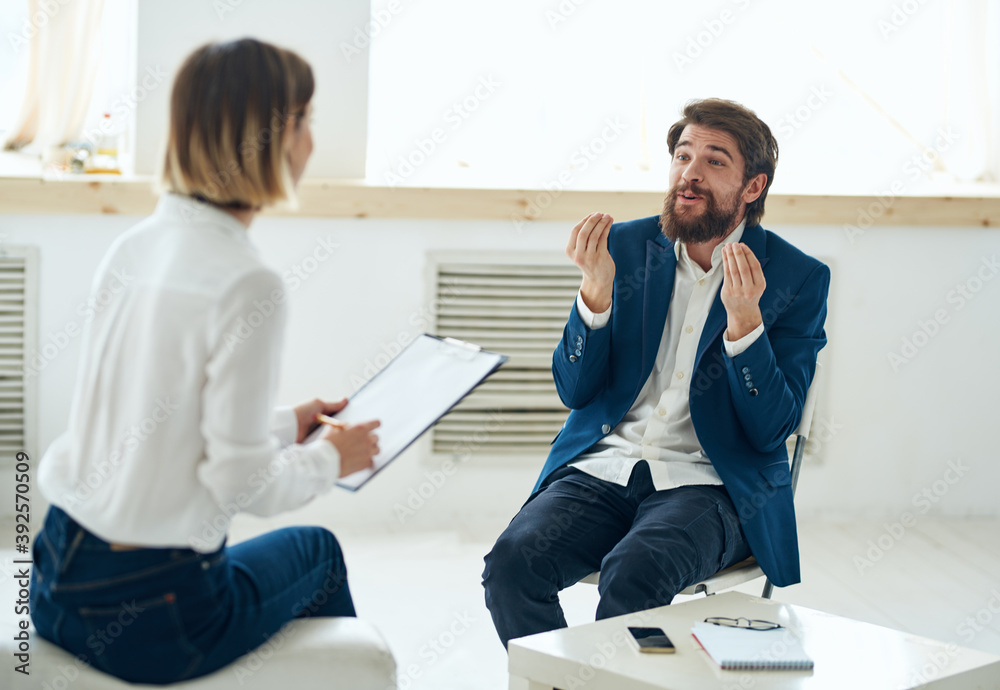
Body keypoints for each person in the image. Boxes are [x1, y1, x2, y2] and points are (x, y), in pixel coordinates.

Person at [30, 38, 381, 684]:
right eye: (302, 120)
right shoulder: (250, 285)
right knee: (320, 552)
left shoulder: (134, 248)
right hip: (156, 614)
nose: (309, 142)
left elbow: (145, 421)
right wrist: (334, 458)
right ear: (262, 139)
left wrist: (284, 424)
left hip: (55, 578)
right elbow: (240, 484)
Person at [482, 98, 830, 648]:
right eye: (682, 156)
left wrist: (746, 327)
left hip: (712, 483)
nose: (689, 174)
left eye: (714, 162)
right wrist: (594, 293)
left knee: (634, 572)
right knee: (511, 564)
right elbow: (575, 390)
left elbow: (771, 430)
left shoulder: (797, 277)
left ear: (752, 187)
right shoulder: (624, 247)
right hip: (605, 467)